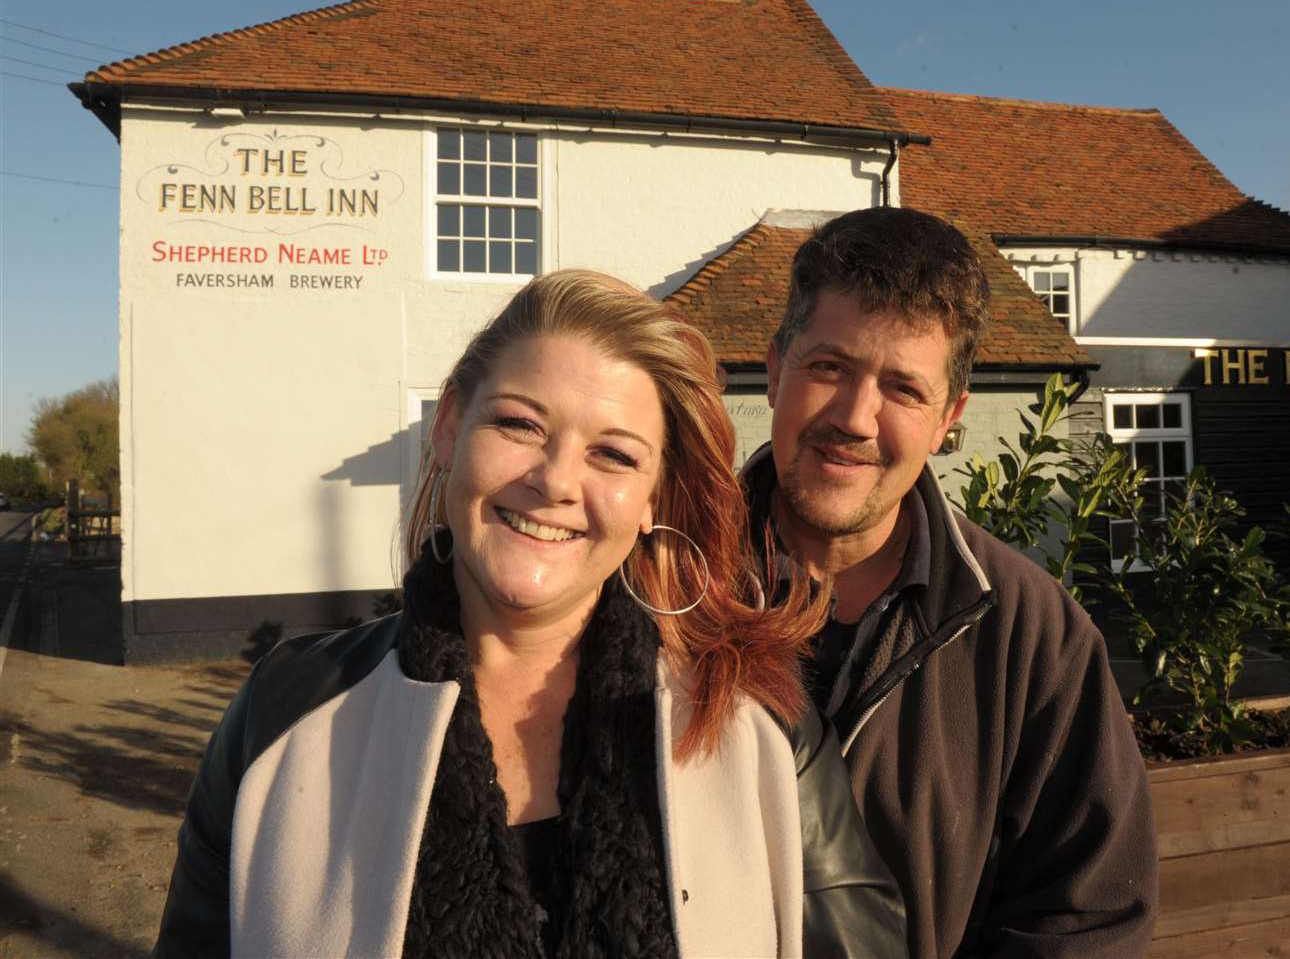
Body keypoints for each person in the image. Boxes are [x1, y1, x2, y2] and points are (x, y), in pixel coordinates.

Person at [154, 269, 906, 959]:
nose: (554, 480)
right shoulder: (286, 711)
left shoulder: (757, 722)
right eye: (518, 425)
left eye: (613, 455)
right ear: (449, 427)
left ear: (652, 500)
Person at [744, 207, 1159, 958]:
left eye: (902, 389)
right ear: (775, 371)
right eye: (828, 367)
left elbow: (1085, 919)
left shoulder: (1034, 635)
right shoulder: (661, 584)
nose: (855, 418)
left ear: (948, 420)